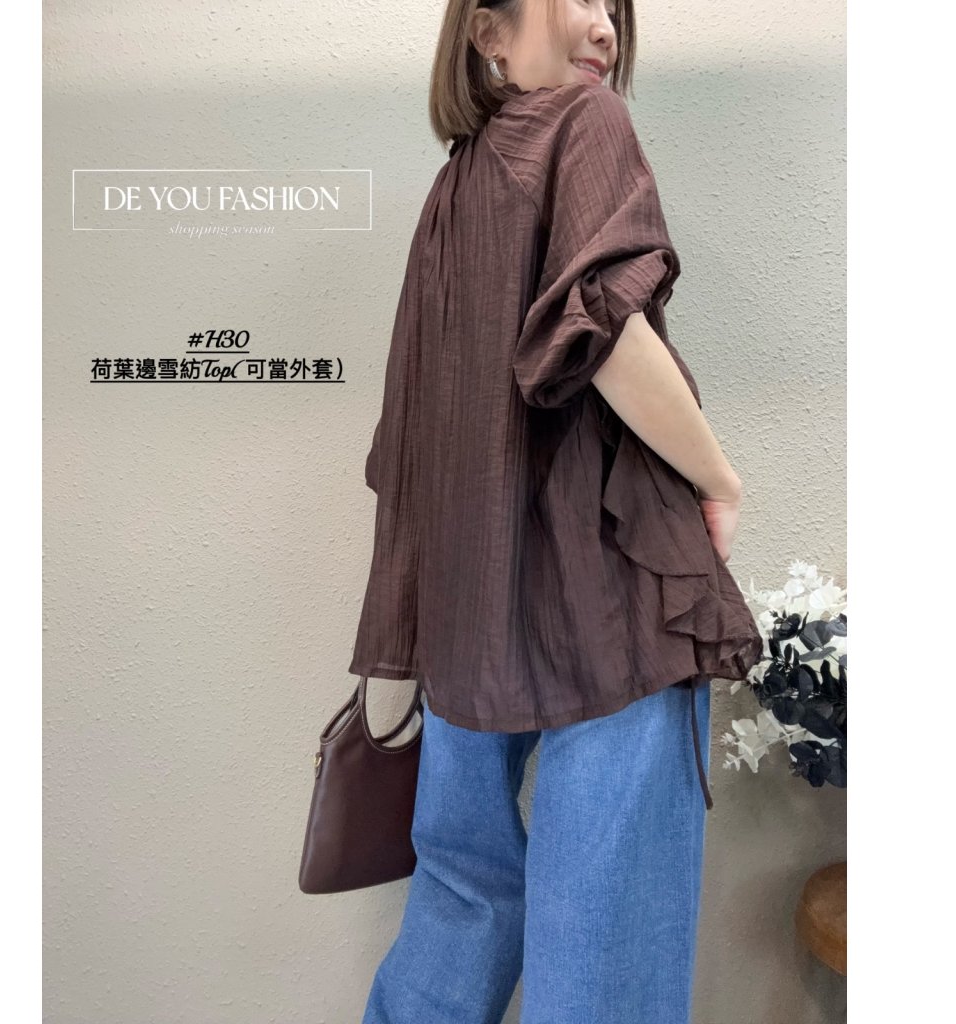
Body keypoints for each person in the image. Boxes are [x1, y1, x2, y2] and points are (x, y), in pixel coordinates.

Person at [350, 1, 764, 1021]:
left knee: (460, 901)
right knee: (605, 929)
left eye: (612, 5)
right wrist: (718, 478)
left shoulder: (459, 183)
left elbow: (420, 423)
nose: (605, 29)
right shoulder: (588, 124)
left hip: (469, 607)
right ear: (486, 33)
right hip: (604, 596)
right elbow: (606, 336)